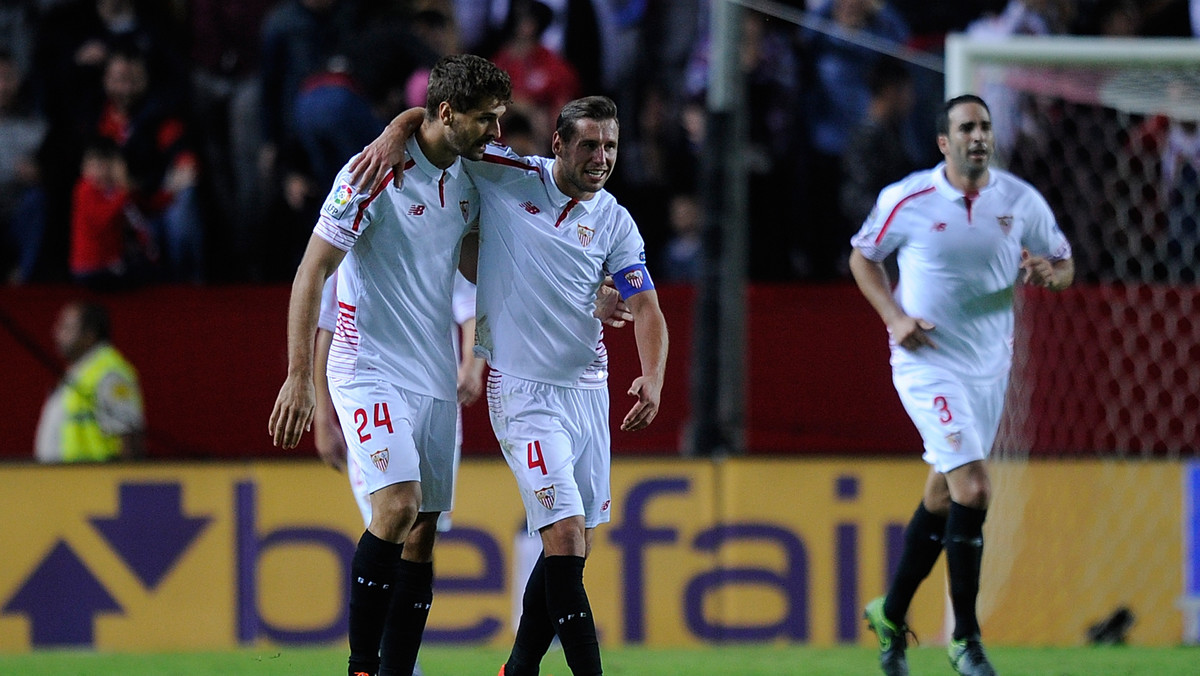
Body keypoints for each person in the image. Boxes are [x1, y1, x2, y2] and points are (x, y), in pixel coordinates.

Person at [351, 94, 669, 676]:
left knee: (571, 554)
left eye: (611, 146)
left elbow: (645, 305)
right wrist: (395, 132)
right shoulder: (506, 173)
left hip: (588, 391)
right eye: (589, 145)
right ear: (558, 145)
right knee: (567, 541)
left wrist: (652, 375)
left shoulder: (614, 220)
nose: (602, 158)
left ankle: (518, 668)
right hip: (522, 392)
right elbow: (440, 129)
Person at [268, 54, 513, 676]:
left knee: (424, 530)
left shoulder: (467, 180)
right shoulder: (370, 172)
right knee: (398, 504)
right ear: (449, 113)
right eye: (486, 119)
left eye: (500, 118)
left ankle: (397, 671)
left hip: (430, 371)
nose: (496, 132)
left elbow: (475, 264)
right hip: (366, 366)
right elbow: (312, 270)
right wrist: (301, 377)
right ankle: (359, 667)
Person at [850, 94, 1074, 676]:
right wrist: (895, 319)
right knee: (974, 486)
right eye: (966, 128)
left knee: (945, 492)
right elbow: (863, 257)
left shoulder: (1020, 201)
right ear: (945, 144)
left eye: (985, 126)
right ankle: (966, 641)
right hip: (926, 362)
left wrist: (1052, 274)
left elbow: (1063, 260)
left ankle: (890, 614)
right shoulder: (910, 198)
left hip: (988, 367)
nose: (979, 135)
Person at [34, 300, 145, 462]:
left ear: (89, 335)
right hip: (66, 481)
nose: (57, 332)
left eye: (67, 328)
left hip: (95, 482)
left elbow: (129, 441)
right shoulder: (79, 372)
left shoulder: (110, 374)